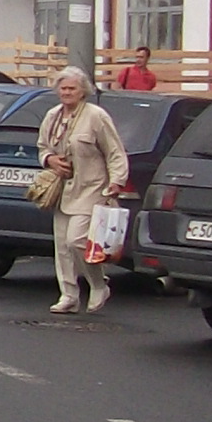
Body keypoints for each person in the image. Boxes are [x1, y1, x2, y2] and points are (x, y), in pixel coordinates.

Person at [38, 65, 131, 315]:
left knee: (77, 239)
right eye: (63, 88)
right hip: (62, 190)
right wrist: (49, 160)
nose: (66, 93)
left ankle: (99, 284)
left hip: (92, 188)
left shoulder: (96, 116)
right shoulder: (53, 116)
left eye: (72, 88)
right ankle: (68, 295)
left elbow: (114, 152)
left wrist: (117, 181)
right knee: (62, 246)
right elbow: (43, 147)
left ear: (83, 91)